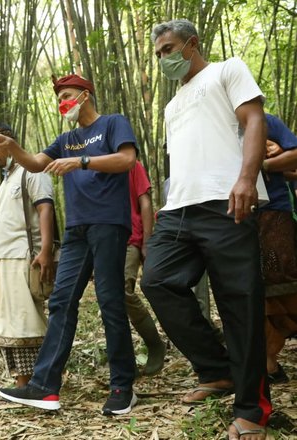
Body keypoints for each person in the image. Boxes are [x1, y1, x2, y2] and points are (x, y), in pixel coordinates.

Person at [142, 19, 271, 440]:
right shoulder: (171, 105)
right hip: (178, 208)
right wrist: (166, 203)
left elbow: (254, 120)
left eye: (169, 48)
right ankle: (217, 370)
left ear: (192, 44)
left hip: (226, 200)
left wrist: (247, 178)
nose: (165, 58)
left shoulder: (227, 69)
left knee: (239, 303)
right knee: (157, 281)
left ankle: (252, 410)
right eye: (159, 52)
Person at [0, 74, 139, 415]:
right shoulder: (66, 138)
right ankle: (45, 386)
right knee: (61, 301)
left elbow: (127, 160)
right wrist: (12, 149)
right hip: (76, 230)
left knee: (110, 301)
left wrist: (81, 161)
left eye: (68, 95)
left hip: (109, 224)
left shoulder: (113, 124)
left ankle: (122, 386)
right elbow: (36, 163)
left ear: (86, 94)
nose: (63, 103)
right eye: (59, 98)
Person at [0, 122, 55, 389]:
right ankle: (24, 378)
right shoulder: (7, 179)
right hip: (1, 255)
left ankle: (32, 381)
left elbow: (45, 209)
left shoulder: (33, 170)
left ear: (7, 141)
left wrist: (45, 251)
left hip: (21, 254)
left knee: (23, 322)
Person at [258, 114, 297, 384]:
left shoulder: (264, 121)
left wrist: (261, 164)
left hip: (273, 215)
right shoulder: (210, 125)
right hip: (233, 219)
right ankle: (268, 361)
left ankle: (270, 358)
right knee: (253, 288)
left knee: (279, 281)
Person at [124, 161, 166, 376]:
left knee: (124, 291)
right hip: (105, 240)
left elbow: (145, 202)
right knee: (111, 300)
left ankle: (155, 344)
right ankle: (124, 359)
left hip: (130, 237)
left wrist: (147, 241)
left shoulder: (131, 164)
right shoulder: (92, 164)